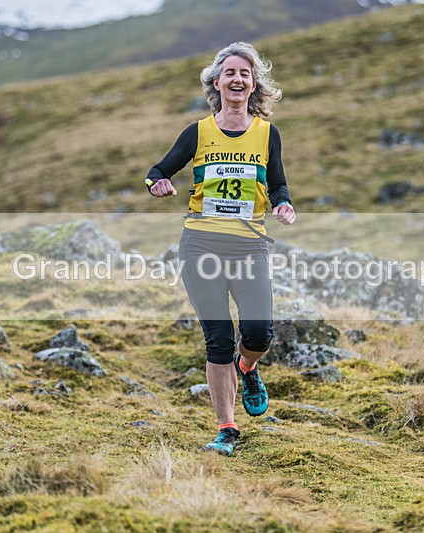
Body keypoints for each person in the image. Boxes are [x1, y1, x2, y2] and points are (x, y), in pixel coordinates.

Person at [146, 42, 296, 456]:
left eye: (245, 73)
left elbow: (278, 182)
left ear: (253, 85)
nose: (237, 79)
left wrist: (283, 203)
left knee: (258, 333)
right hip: (201, 245)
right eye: (229, 72)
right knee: (218, 337)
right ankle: (227, 429)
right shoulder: (198, 132)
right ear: (216, 82)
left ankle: (246, 368)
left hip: (250, 247)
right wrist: (156, 183)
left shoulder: (268, 134)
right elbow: (157, 170)